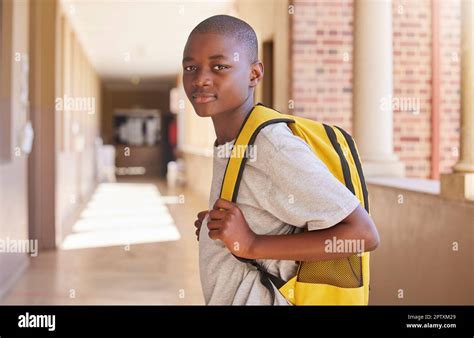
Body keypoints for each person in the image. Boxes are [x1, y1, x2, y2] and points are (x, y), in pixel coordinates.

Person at [183, 15, 379, 305]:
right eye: (191, 67)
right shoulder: (232, 140)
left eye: (219, 66)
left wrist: (252, 243)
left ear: (254, 74)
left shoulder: (272, 145)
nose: (200, 78)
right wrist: (220, 228)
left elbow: (363, 234)